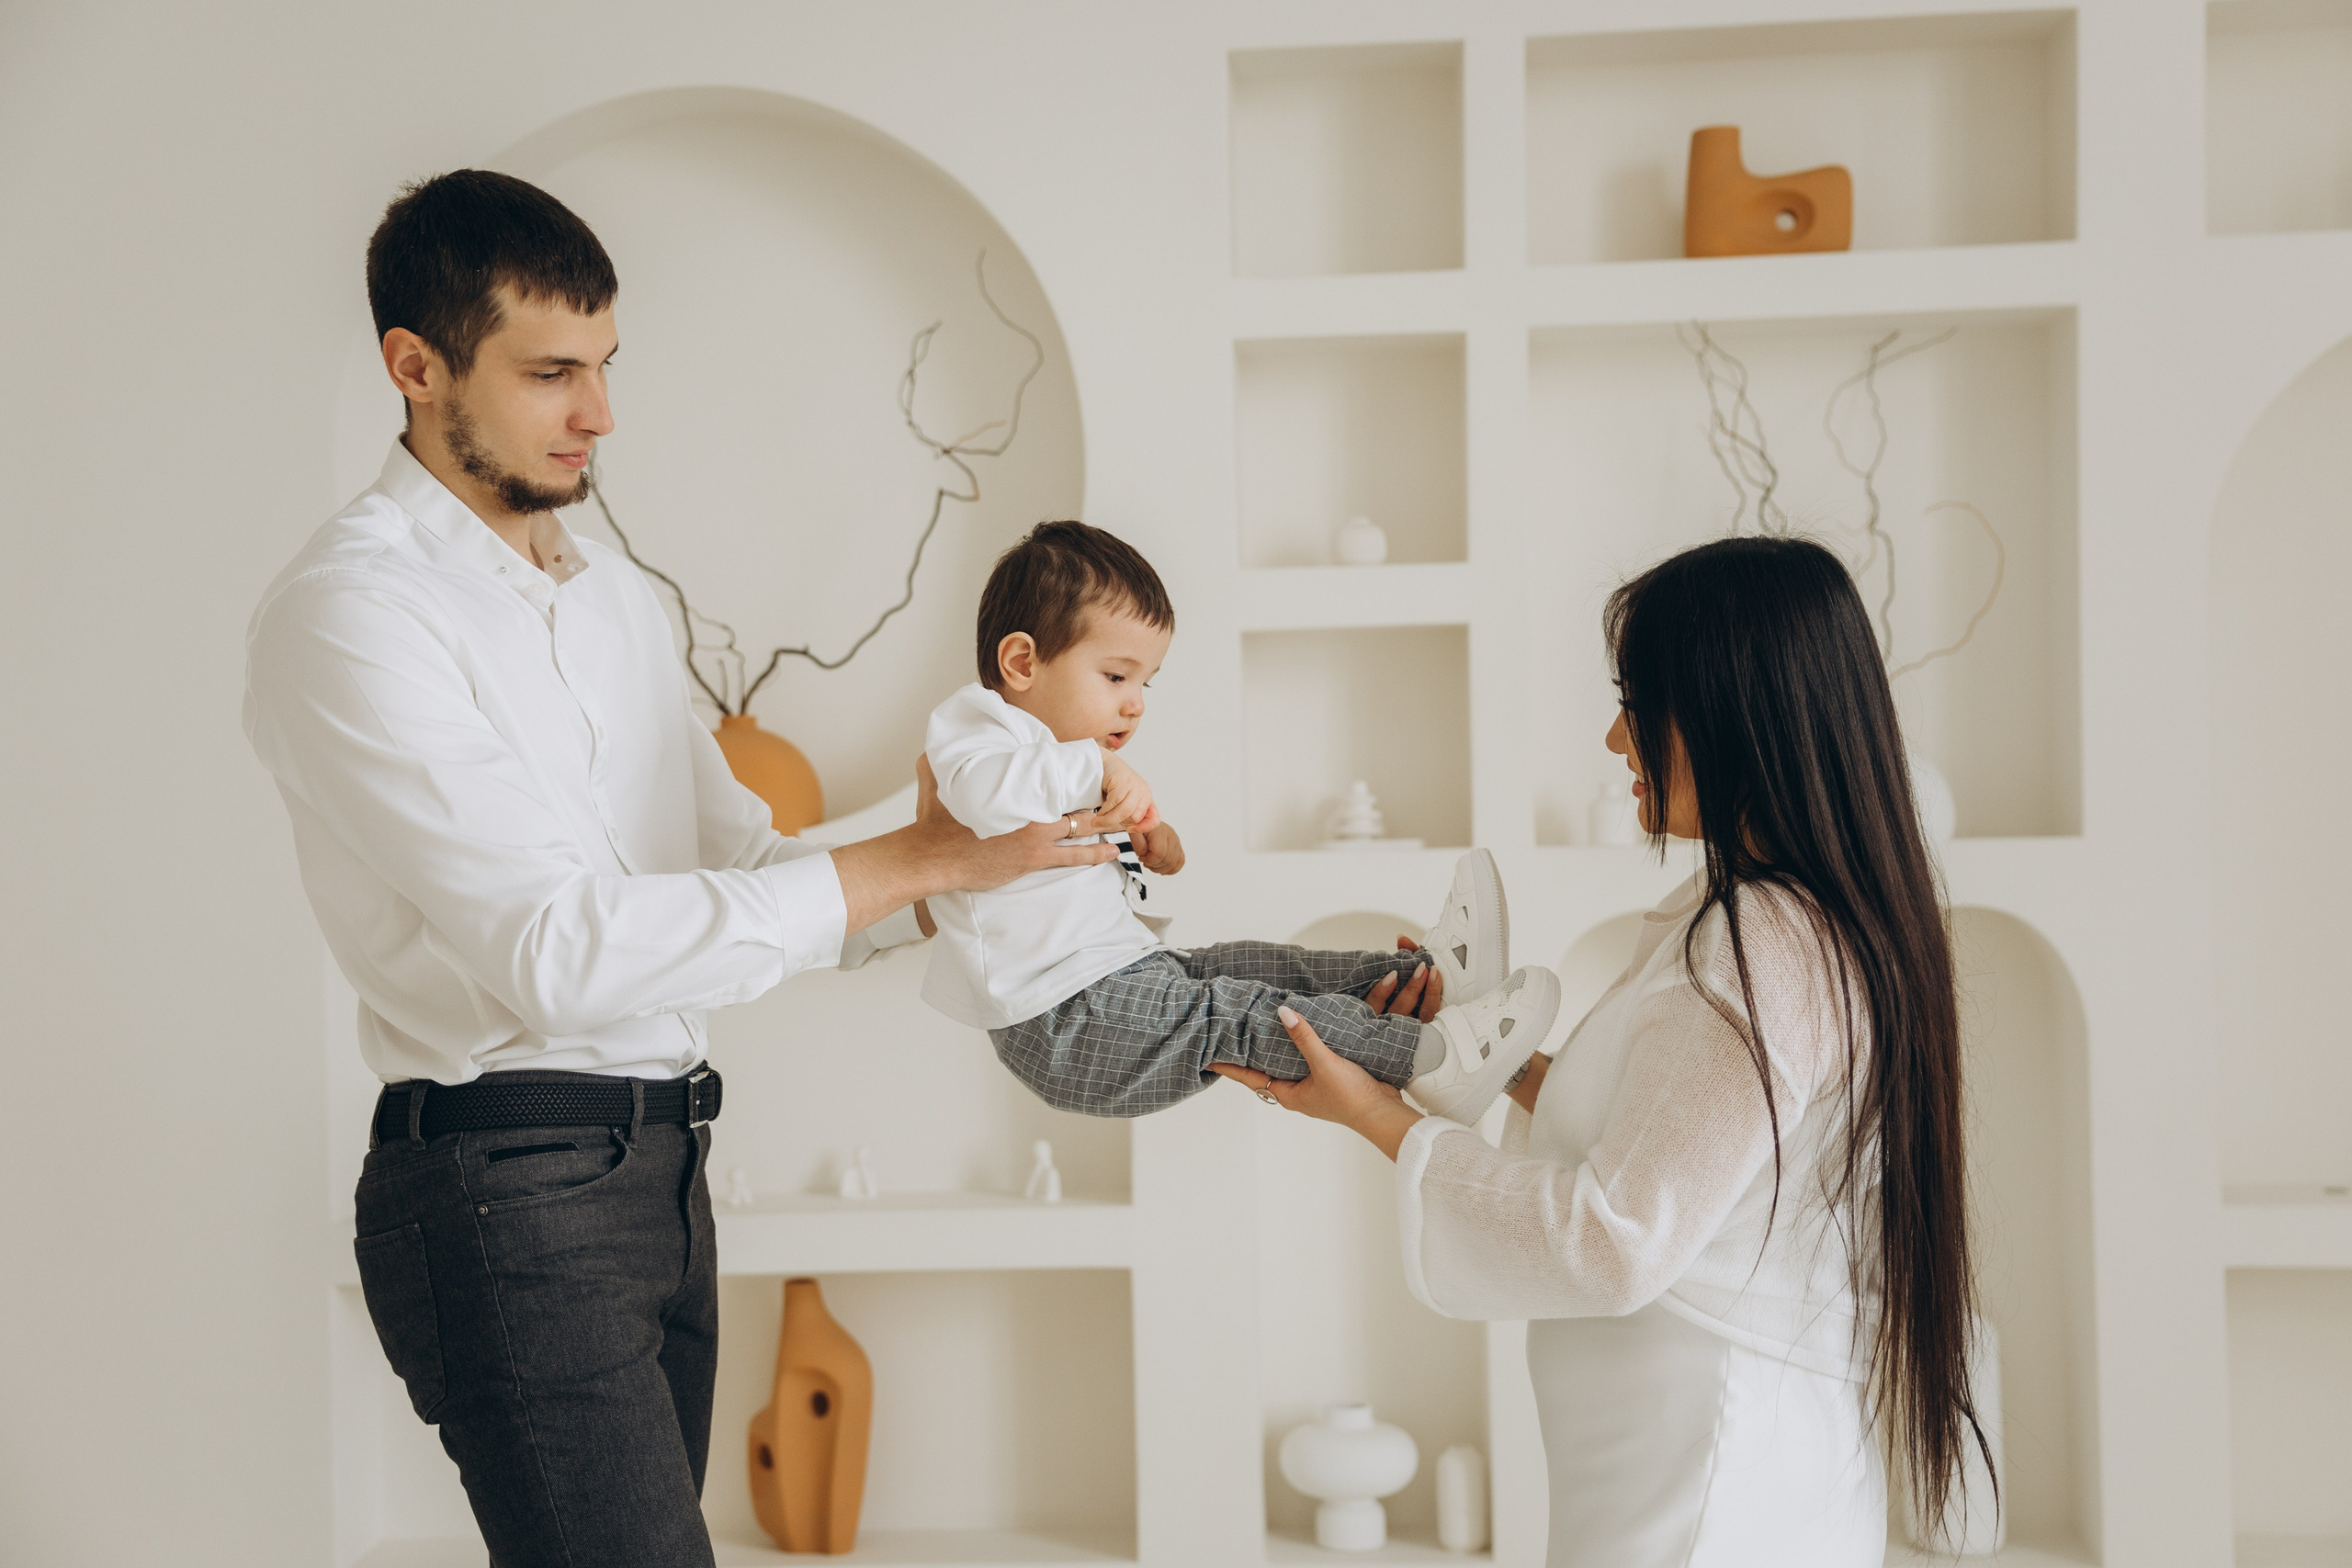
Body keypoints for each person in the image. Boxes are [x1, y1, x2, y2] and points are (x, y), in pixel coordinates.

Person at [243, 170, 1112, 1568]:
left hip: (663, 1166)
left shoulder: (613, 599)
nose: (598, 414)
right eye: (549, 373)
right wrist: (910, 857)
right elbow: (556, 950)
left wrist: (1014, 838)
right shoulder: (351, 615)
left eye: (603, 366)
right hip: (503, 1179)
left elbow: (756, 864)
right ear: (415, 368)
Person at [1221, 536, 1991, 1567]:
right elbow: (1677, 1144)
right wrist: (1473, 1049)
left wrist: (1368, 1112)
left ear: (1730, 709)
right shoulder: (1777, 926)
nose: (1612, 738)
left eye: (1639, 700)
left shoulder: (1762, 943)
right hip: (1689, 1455)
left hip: (1708, 1482)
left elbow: (1617, 1237)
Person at [920, 521, 1562, 1122]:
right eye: (1116, 675)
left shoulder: (1061, 767)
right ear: (1022, 664)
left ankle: (1431, 979)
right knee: (1238, 1014)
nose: (1135, 704)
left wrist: (1149, 845)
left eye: (1147, 683)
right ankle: (1434, 1062)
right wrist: (1096, 767)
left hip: (1121, 977)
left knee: (1259, 966)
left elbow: (1071, 848)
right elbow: (981, 794)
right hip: (1062, 1023)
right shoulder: (978, 733)